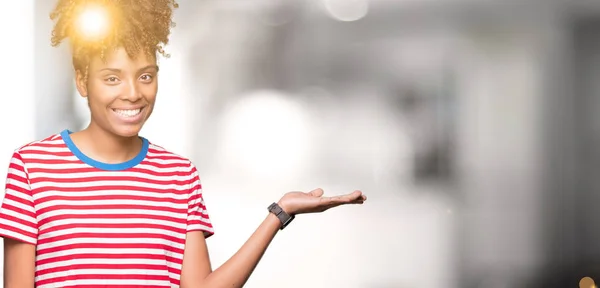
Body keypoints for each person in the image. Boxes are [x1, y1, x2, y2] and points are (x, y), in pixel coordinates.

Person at [0, 0, 366, 287]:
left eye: (146, 76)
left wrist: (280, 213)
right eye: (112, 78)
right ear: (82, 81)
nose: (132, 93)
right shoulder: (34, 166)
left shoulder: (177, 176)